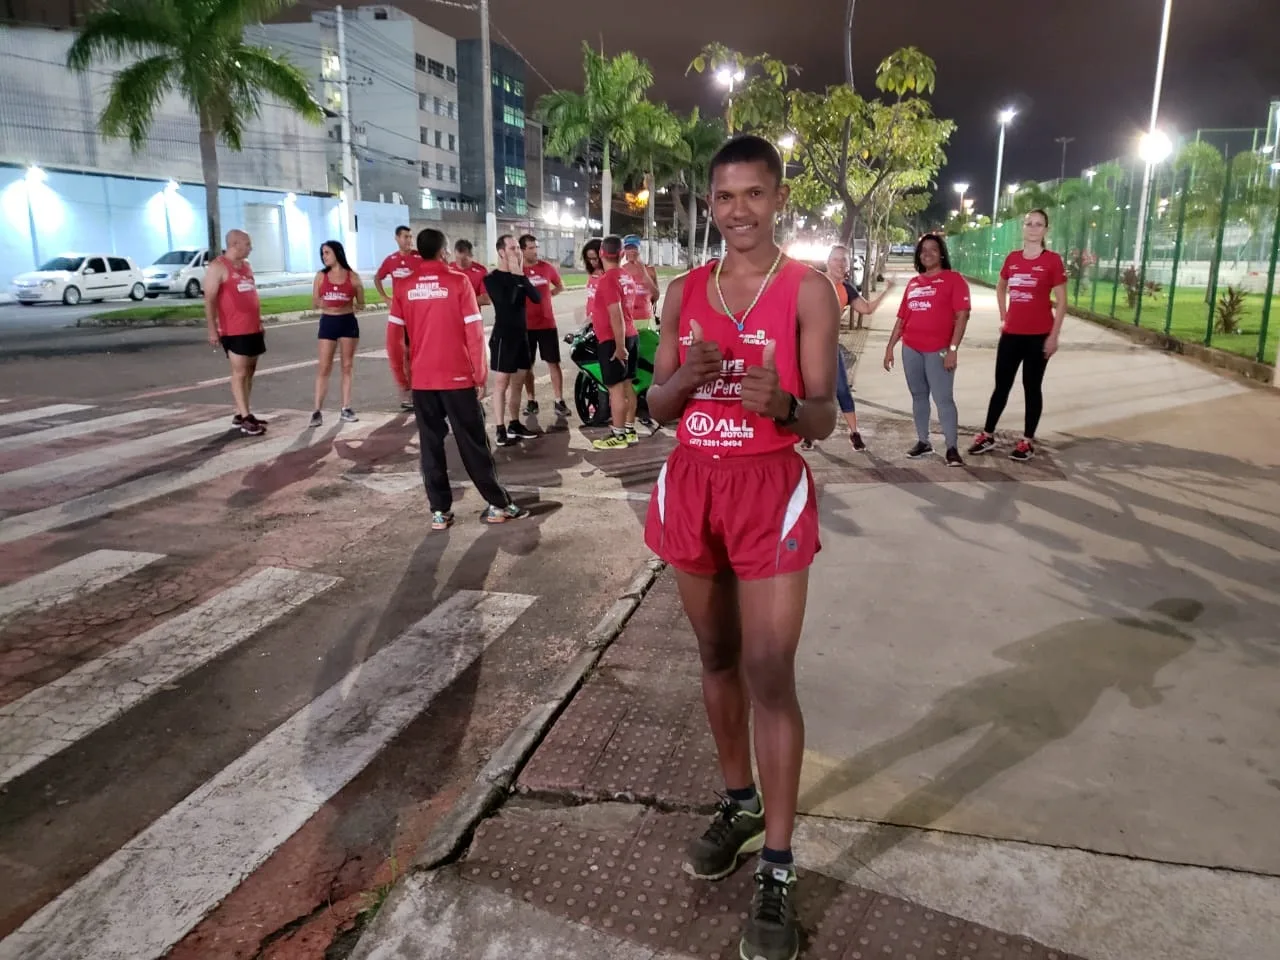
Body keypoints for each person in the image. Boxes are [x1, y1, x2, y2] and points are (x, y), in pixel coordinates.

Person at [643, 134, 839, 960]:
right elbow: (653, 403)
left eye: (753, 195)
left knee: (768, 671)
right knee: (716, 655)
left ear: (778, 197)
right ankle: (738, 803)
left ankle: (781, 868)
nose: (738, 212)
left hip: (768, 486)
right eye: (724, 198)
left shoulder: (808, 291)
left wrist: (788, 404)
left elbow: (826, 415)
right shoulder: (685, 290)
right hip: (694, 482)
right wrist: (681, 383)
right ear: (709, 204)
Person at [390, 228, 526, 530]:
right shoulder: (457, 282)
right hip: (457, 378)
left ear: (418, 252)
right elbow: (474, 333)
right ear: (443, 251)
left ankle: (439, 511)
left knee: (431, 445)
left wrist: (402, 377)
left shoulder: (405, 286)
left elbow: (394, 339)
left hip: (423, 382)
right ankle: (497, 504)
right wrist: (479, 374)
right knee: (473, 442)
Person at [969, 208, 1067, 461]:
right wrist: (1004, 316)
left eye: (1039, 224)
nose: (1033, 228)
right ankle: (987, 435)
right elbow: (1001, 286)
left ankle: (1027, 441)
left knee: (1032, 387)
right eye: (1029, 224)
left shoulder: (1052, 261)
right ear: (1023, 228)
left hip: (1039, 335)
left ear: (1046, 230)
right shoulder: (1013, 259)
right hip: (1011, 334)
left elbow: (1063, 302)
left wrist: (1053, 336)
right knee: (1001, 386)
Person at [884, 233, 971, 466]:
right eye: (923, 250)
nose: (927, 253)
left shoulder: (954, 279)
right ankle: (923, 441)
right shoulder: (914, 283)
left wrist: (952, 349)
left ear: (941, 253)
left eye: (933, 249)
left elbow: (962, 316)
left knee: (943, 399)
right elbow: (902, 318)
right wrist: (890, 347)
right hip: (911, 348)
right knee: (918, 396)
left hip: (939, 350)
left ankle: (952, 448)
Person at [803, 244, 890, 453]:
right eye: (836, 259)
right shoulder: (813, 281)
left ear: (849, 264)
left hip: (830, 347)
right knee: (809, 392)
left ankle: (854, 433)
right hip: (807, 347)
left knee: (842, 390)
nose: (840, 263)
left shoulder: (847, 289)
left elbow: (866, 308)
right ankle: (809, 435)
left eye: (844, 260)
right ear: (827, 262)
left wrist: (888, 291)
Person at [204, 229, 267, 436]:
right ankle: (245, 417)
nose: (250, 248)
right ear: (235, 244)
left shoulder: (246, 266)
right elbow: (210, 300)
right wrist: (213, 329)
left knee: (249, 371)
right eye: (247, 244)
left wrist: (259, 322)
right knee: (239, 372)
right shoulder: (218, 267)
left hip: (253, 328)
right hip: (234, 329)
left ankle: (242, 412)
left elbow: (251, 294)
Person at [483, 235, 541, 447]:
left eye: (518, 248)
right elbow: (507, 302)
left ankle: (514, 423)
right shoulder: (492, 278)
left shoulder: (520, 275)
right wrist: (517, 277)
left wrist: (521, 276)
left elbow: (536, 297)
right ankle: (499, 427)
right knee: (501, 383)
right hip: (503, 337)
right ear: (501, 252)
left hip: (521, 336)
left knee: (518, 382)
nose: (517, 251)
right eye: (512, 248)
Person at [589, 235, 641, 450]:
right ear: (621, 254)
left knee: (616, 390)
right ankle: (629, 430)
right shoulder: (626, 277)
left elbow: (616, 314)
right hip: (631, 335)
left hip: (614, 341)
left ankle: (618, 434)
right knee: (628, 386)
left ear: (601, 254)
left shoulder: (607, 280)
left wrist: (619, 348)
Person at [310, 240, 364, 426]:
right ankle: (317, 411)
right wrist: (326, 303)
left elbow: (361, 302)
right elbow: (315, 300)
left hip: (347, 322)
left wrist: (352, 305)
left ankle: (346, 408)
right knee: (324, 367)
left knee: (347, 366)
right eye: (322, 253)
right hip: (328, 323)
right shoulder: (320, 276)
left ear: (337, 253)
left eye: (327, 253)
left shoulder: (353, 277)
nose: (324, 257)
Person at [518, 233, 570, 418]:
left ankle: (559, 401)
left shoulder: (546, 267)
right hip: (525, 326)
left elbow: (559, 286)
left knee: (553, 363)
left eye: (536, 247)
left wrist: (547, 297)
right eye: (531, 248)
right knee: (527, 366)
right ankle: (531, 400)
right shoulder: (517, 270)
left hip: (547, 323)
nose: (535, 251)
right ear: (522, 250)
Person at [374, 225, 423, 411]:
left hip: (417, 312)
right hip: (400, 314)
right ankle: (407, 391)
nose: (409, 240)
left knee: (417, 352)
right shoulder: (391, 260)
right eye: (405, 237)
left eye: (411, 237)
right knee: (402, 352)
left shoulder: (419, 257)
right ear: (397, 238)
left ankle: (420, 389)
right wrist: (385, 297)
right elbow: (377, 278)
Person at [620, 234, 660, 331]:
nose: (631, 251)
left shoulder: (649, 270)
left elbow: (656, 296)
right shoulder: (621, 271)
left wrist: (643, 271)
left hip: (646, 318)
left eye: (634, 248)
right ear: (624, 251)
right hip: (627, 319)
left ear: (639, 250)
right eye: (628, 248)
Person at [453, 238, 492, 308]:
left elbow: (486, 299)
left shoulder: (481, 271)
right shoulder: (448, 268)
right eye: (457, 258)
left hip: (472, 315)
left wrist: (458, 301)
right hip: (452, 316)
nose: (460, 263)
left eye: (464, 259)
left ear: (471, 256)